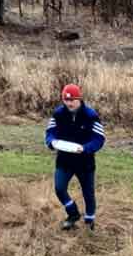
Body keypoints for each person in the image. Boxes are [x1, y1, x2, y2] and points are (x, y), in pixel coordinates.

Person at [44, 84, 106, 231]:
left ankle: (89, 222)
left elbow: (99, 139)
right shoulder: (58, 114)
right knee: (59, 189)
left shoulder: (91, 115)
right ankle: (73, 214)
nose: (69, 103)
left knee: (88, 193)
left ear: (80, 99)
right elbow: (50, 132)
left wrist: (85, 149)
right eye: (66, 100)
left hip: (85, 161)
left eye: (73, 100)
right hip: (64, 160)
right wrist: (51, 142)